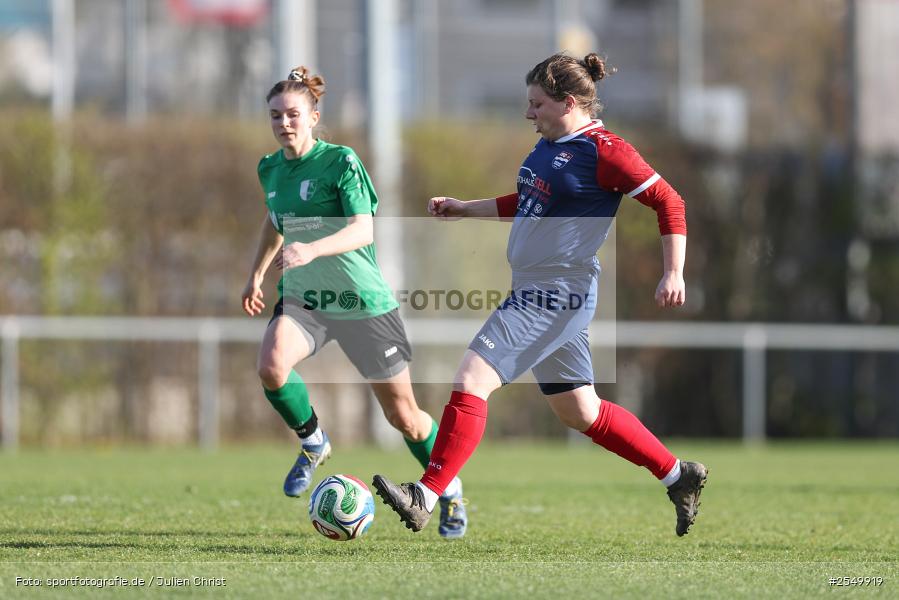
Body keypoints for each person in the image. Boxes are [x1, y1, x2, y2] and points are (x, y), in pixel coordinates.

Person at [372, 53, 708, 537]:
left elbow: (668, 201)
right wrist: (467, 208)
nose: (528, 114)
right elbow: (531, 202)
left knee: (471, 378)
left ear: (567, 102)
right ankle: (679, 475)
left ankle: (425, 495)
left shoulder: (605, 150)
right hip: (535, 287)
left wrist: (673, 271)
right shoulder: (549, 146)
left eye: (536, 104)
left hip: (556, 292)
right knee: (581, 411)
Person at [241, 66, 467, 538]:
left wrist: (310, 248)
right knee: (271, 365)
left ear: (314, 115)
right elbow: (273, 220)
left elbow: (363, 228)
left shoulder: (341, 162)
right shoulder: (270, 168)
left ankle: (449, 489)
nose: (284, 123)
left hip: (362, 302)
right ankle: (313, 441)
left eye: (293, 114)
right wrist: (257, 274)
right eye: (275, 115)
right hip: (306, 300)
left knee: (404, 417)